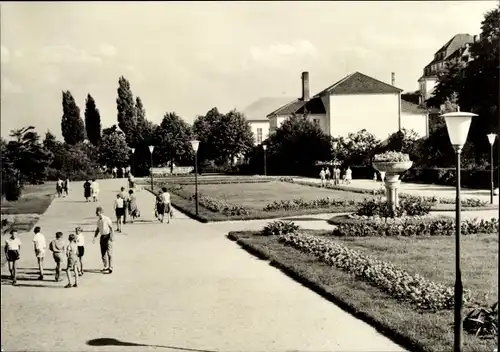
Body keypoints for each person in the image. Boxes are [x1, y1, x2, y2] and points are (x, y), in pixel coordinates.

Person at [93, 206, 114, 274]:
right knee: (103, 253)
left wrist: (111, 237)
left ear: (99, 212)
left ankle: (110, 267)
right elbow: (98, 229)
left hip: (107, 236)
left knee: (109, 253)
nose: (96, 213)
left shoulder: (107, 219)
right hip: (102, 237)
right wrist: (95, 237)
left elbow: (111, 228)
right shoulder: (99, 221)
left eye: (96, 212)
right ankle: (105, 266)